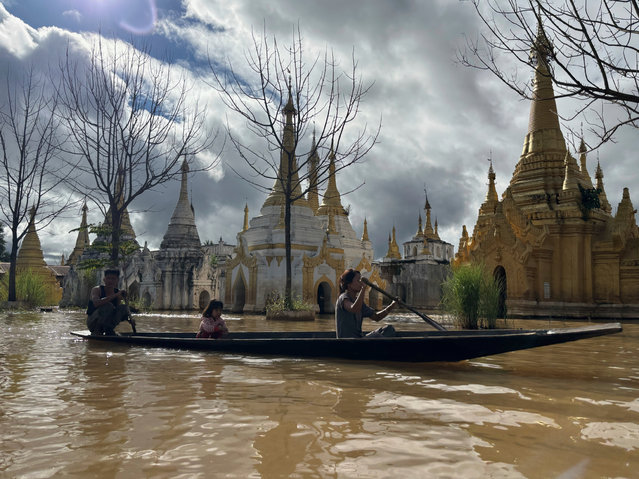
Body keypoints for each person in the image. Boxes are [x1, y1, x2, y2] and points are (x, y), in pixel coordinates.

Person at [335, 268, 397, 338]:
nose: (361, 283)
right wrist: (363, 288)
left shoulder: (358, 301)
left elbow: (376, 317)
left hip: (360, 339)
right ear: (349, 284)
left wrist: (392, 305)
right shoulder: (343, 298)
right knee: (377, 336)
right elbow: (354, 309)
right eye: (358, 280)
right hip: (348, 343)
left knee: (388, 329)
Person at [86, 269, 131, 335]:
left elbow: (116, 312)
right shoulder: (97, 289)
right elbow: (96, 303)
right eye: (108, 278)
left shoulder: (118, 293)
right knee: (108, 306)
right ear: (104, 279)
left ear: (117, 280)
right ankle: (97, 331)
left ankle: (109, 330)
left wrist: (129, 319)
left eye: (113, 279)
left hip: (107, 323)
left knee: (123, 308)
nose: (110, 281)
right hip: (93, 323)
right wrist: (115, 295)